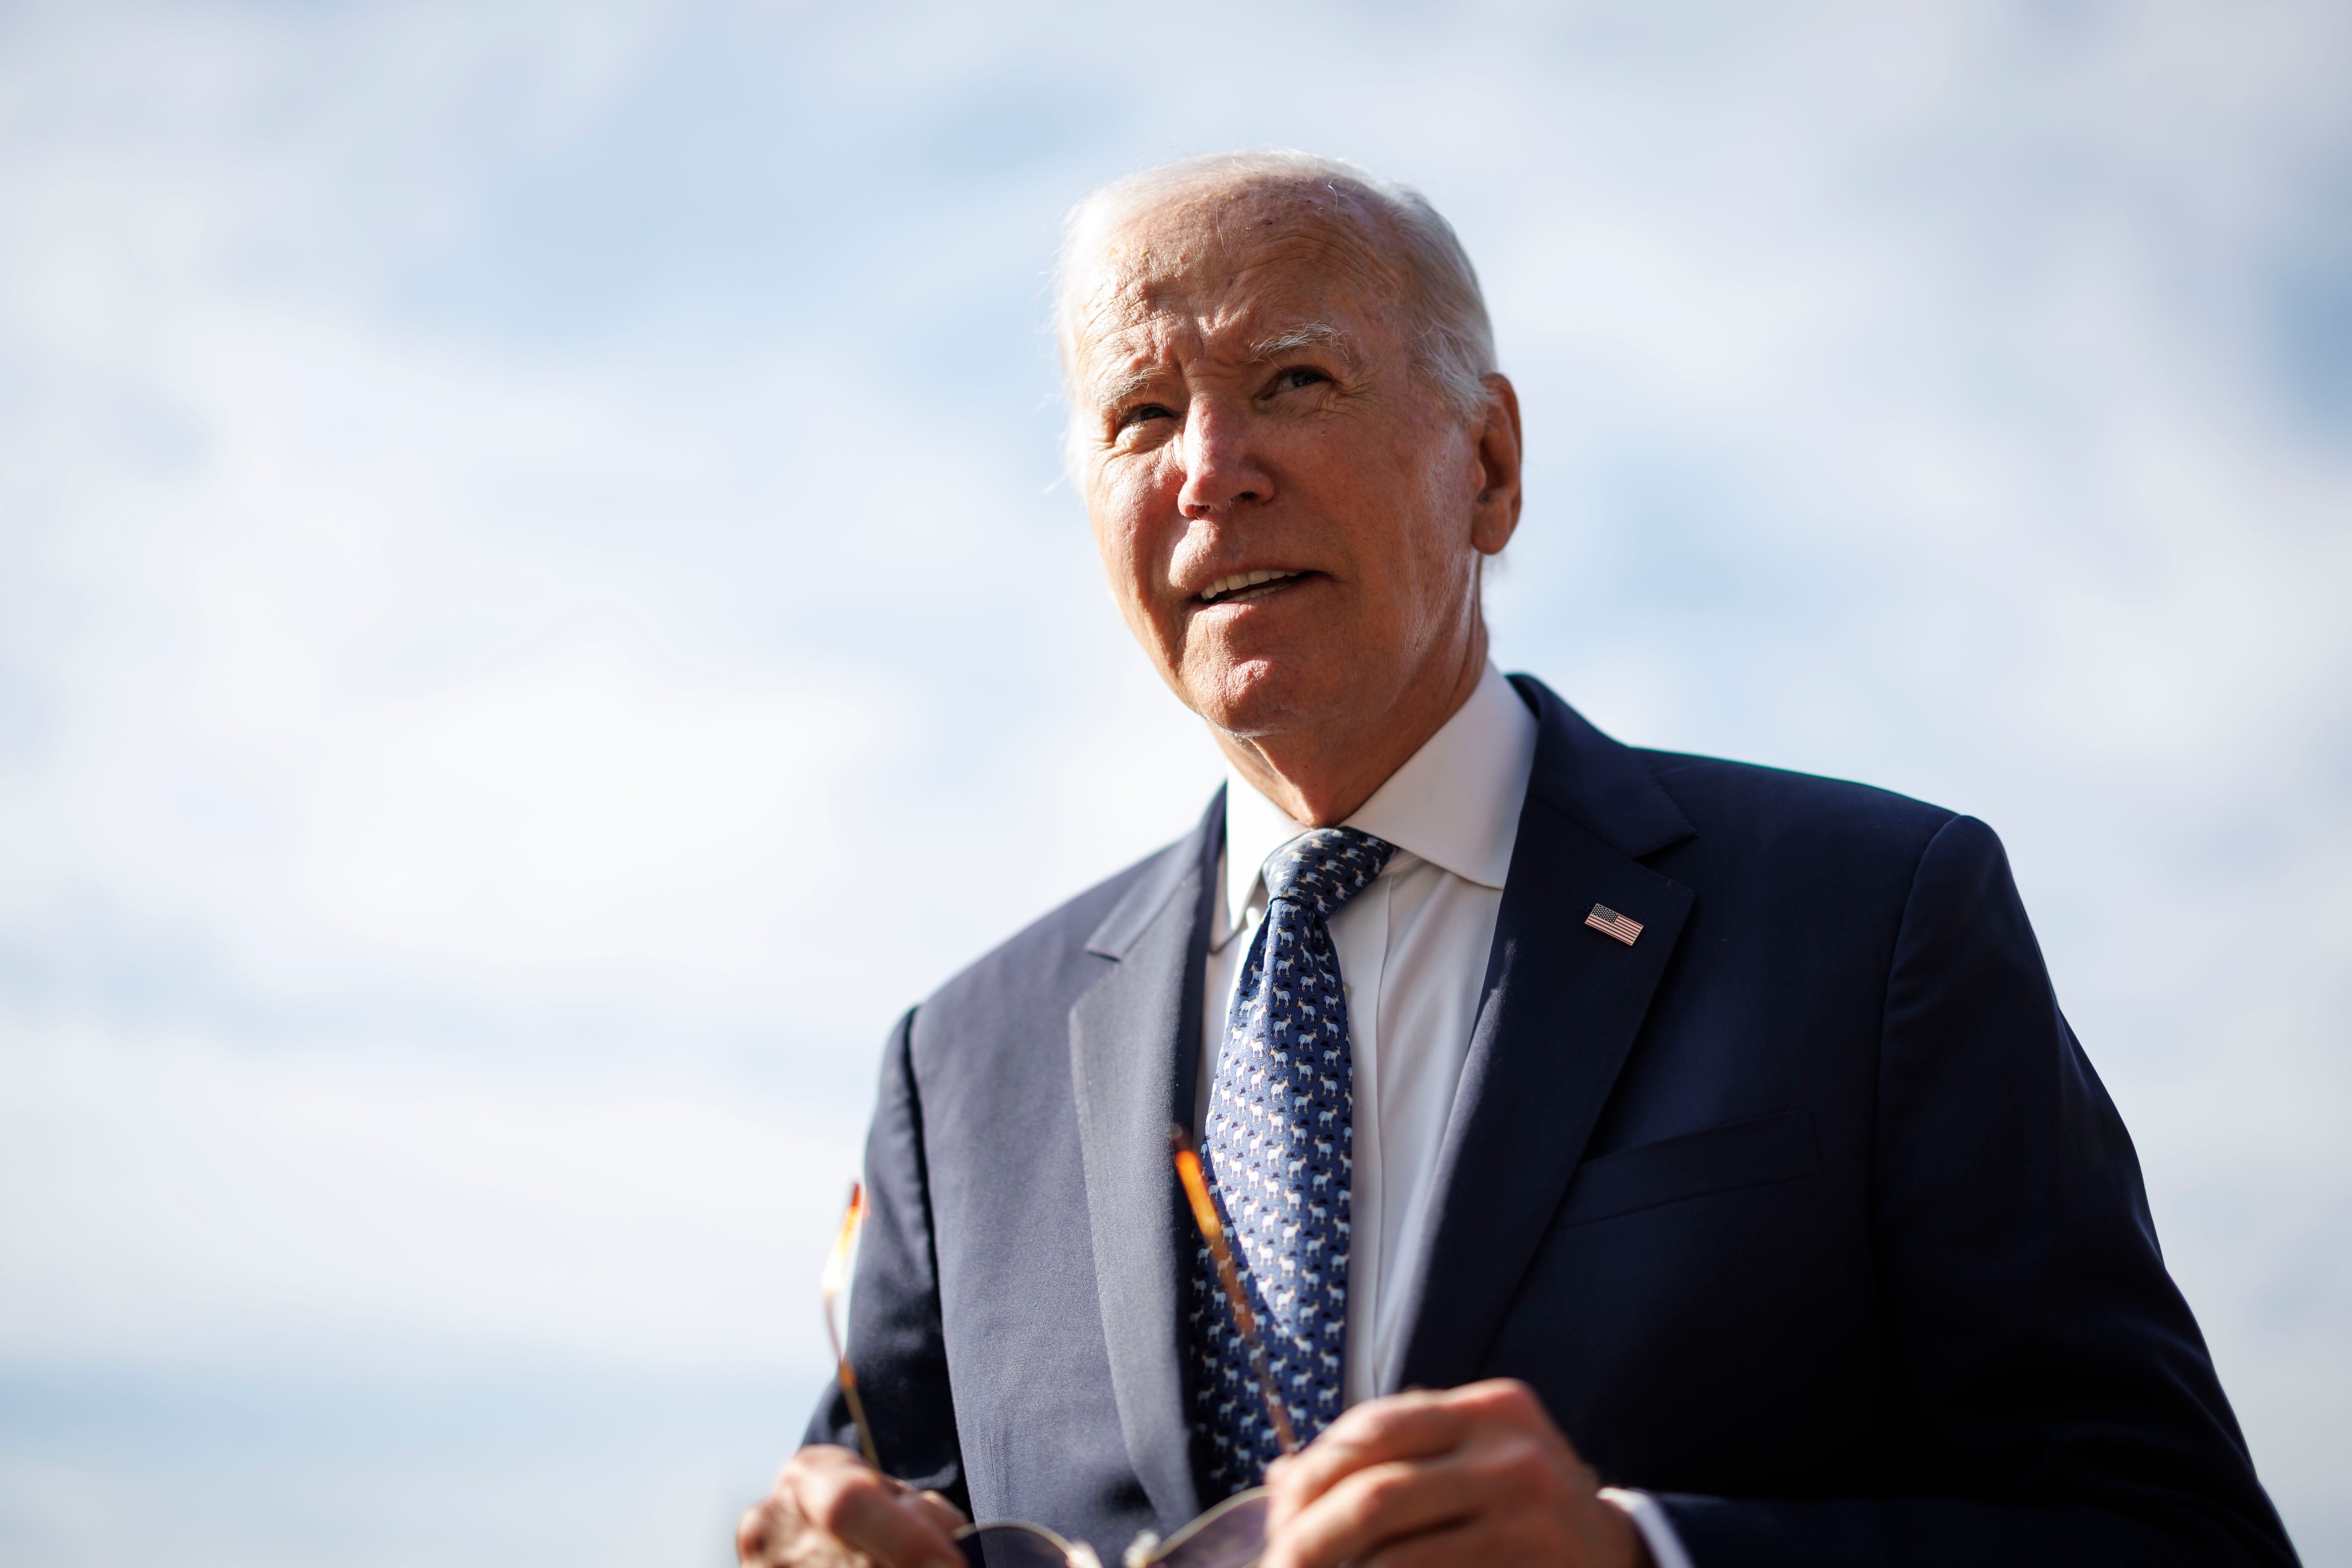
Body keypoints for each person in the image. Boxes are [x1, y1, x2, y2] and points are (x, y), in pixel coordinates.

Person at [735, 151, 2297, 1568]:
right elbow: (867, 1512)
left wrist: (1644, 1560)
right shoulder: (963, 1067)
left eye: (1292, 379)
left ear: (1488, 463)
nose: (1209, 469)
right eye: (1140, 416)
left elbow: (2173, 1535)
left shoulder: (1873, 923)